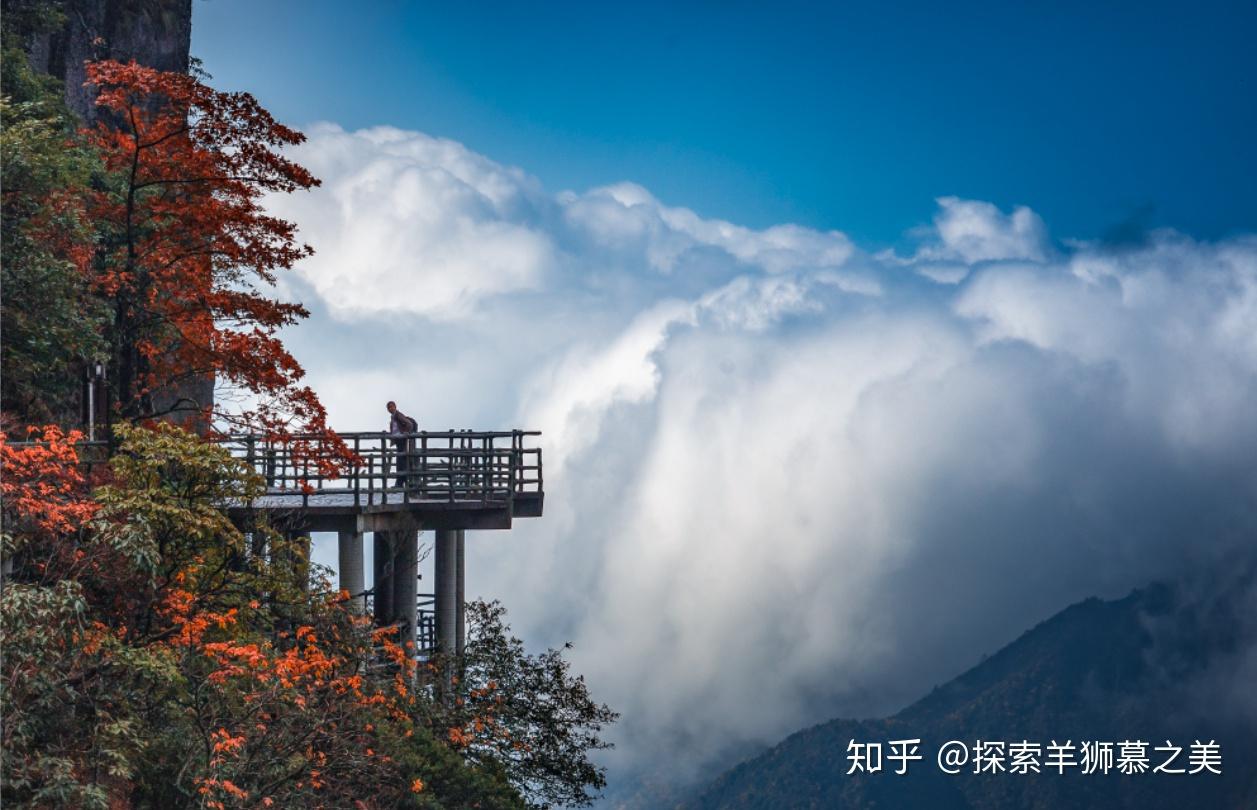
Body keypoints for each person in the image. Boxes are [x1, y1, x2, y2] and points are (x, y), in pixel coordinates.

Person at [386, 401, 417, 487]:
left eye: (392, 407)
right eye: (389, 408)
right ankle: (400, 482)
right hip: (398, 440)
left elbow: (409, 424)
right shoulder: (393, 417)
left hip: (401, 439)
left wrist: (406, 433)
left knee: (401, 460)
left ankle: (400, 482)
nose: (390, 409)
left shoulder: (398, 415)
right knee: (400, 460)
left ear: (395, 407)